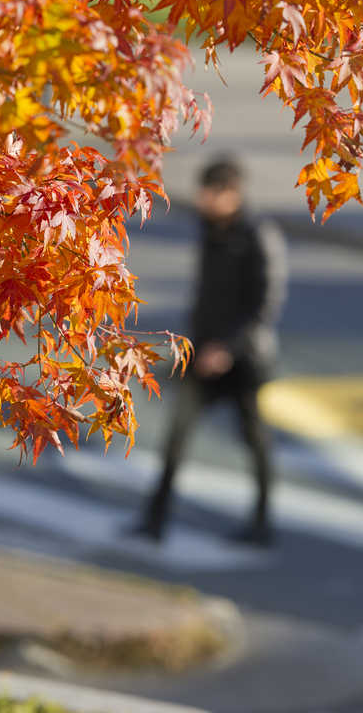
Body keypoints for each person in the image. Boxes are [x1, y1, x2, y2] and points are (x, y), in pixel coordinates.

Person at [137, 158, 286, 546]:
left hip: (244, 359)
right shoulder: (210, 229)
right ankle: (155, 519)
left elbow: (264, 306)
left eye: (209, 193)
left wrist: (229, 349)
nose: (202, 201)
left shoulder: (257, 236)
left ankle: (262, 522)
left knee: (255, 440)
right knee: (176, 437)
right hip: (202, 352)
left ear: (230, 193)